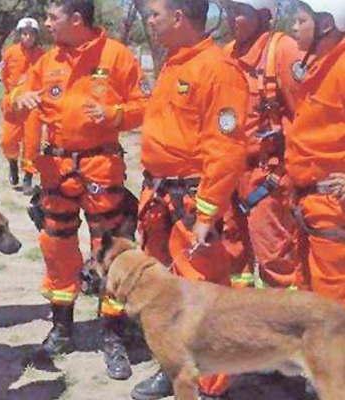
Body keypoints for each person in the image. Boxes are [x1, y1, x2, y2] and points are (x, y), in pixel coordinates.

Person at [8, 0, 147, 382]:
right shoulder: (46, 61)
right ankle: (62, 328)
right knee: (56, 247)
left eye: (53, 17)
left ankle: (113, 334)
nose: (47, 24)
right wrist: (17, 102)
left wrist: (116, 115)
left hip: (101, 167)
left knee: (110, 251)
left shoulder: (117, 57)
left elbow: (144, 105)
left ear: (76, 19)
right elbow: (11, 105)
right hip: (57, 172)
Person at [133, 0, 249, 399]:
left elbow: (226, 148)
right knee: (165, 294)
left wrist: (207, 212)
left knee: (202, 296)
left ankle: (212, 389)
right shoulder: (174, 62)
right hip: (161, 195)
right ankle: (174, 371)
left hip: (193, 200)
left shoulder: (217, 69)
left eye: (155, 14)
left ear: (179, 17)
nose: (150, 21)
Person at [221, 0, 306, 290]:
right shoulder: (226, 54)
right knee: (232, 255)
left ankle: (288, 326)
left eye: (239, 13)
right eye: (229, 11)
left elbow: (305, 117)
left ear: (262, 14)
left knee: (275, 258)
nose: (232, 19)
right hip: (230, 172)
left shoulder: (282, 51)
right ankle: (243, 323)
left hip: (267, 176)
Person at [287, 0, 345, 305]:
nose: (293, 28)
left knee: (332, 302)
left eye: (300, 21)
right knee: (310, 299)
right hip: (308, 200)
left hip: (332, 203)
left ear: (325, 25)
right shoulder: (318, 67)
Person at [0, 17, 45, 195]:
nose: (27, 37)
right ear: (20, 35)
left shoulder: (42, 55)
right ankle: (12, 163)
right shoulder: (10, 53)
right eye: (24, 33)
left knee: (32, 143)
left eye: (31, 34)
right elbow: (3, 75)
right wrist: (13, 94)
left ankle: (28, 176)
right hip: (13, 103)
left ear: (36, 36)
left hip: (33, 106)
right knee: (7, 141)